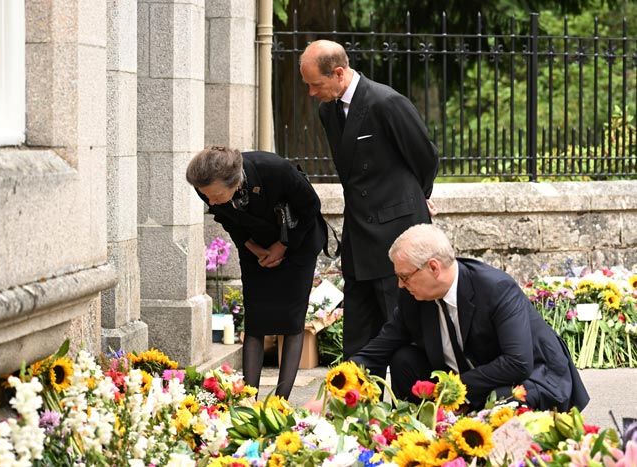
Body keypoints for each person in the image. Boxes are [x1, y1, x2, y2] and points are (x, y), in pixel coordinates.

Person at [299, 40, 439, 366]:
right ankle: (357, 401)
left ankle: (412, 401)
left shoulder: (386, 102)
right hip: (359, 234)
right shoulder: (327, 110)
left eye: (315, 84)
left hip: (398, 232)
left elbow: (425, 157)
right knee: (358, 331)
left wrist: (421, 197)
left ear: (338, 73)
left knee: (401, 323)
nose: (310, 92)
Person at [352, 223, 590, 411]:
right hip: (465, 378)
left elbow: (518, 362)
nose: (400, 286)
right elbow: (377, 351)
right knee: (403, 359)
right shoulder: (413, 297)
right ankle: (417, 436)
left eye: (404, 277)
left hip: (530, 376)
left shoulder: (495, 288)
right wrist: (338, 383)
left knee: (504, 401)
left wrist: (453, 388)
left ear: (433, 268)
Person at [186, 146, 326, 400]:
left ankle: (280, 401)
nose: (211, 201)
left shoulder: (274, 170)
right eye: (207, 197)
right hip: (255, 243)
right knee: (256, 318)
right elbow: (226, 218)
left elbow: (310, 207)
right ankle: (249, 398)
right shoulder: (205, 187)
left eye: (216, 195)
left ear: (234, 180)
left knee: (291, 320)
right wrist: (253, 247)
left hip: (298, 239)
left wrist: (282, 246)